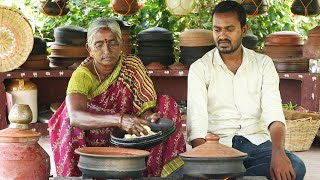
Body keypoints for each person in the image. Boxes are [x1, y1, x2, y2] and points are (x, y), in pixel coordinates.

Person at [48, 18, 186, 177]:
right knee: (67, 114)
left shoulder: (132, 65)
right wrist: (120, 120)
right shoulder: (82, 75)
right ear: (89, 49)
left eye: (112, 43)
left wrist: (149, 118)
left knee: (167, 103)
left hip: (128, 137)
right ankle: (77, 175)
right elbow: (75, 117)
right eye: (99, 44)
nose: (106, 50)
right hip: (94, 139)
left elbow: (143, 107)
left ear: (121, 45)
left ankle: (156, 175)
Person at [187, 1, 306, 180]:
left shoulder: (263, 64)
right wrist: (208, 163)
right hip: (219, 148)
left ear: (244, 29)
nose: (222, 36)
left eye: (229, 29)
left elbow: (274, 114)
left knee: (295, 167)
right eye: (217, 29)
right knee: (195, 174)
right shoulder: (200, 68)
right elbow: (197, 126)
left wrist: (278, 153)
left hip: (258, 143)